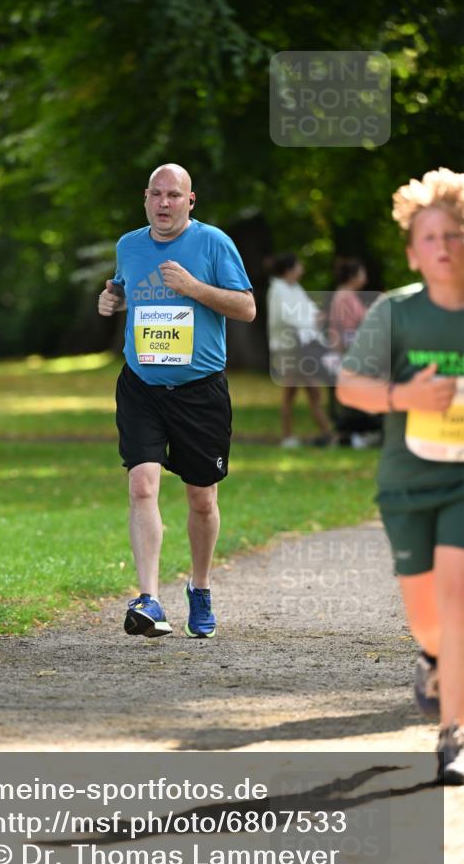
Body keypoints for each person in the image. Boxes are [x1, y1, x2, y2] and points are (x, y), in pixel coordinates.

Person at [337, 167, 464, 785]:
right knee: (426, 615)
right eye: (432, 238)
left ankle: (454, 734)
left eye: (456, 234)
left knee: (457, 589)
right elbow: (350, 387)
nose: (445, 247)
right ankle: (435, 657)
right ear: (414, 251)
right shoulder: (397, 313)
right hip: (409, 483)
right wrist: (405, 395)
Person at [98, 163, 255, 638]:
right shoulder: (129, 245)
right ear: (145, 199)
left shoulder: (213, 244)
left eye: (174, 196)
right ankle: (149, 599)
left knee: (201, 499)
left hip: (200, 390)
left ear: (191, 201)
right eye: (156, 195)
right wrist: (113, 300)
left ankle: (201, 588)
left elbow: (246, 307)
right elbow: (131, 289)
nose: (164, 204)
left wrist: (194, 288)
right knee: (142, 485)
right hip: (142, 385)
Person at [266, 253, 333, 447]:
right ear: (289, 269)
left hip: (303, 348)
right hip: (288, 348)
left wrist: (317, 317)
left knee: (313, 391)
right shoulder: (278, 290)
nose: (301, 269)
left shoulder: (294, 288)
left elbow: (308, 310)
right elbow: (286, 317)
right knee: (291, 392)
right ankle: (288, 436)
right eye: (298, 266)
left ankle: (327, 433)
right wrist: (312, 320)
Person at [327, 257, 381, 448]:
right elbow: (348, 330)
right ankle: (356, 435)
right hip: (348, 354)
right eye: (362, 272)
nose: (365, 277)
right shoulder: (345, 297)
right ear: (353, 275)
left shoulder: (346, 295)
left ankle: (359, 434)